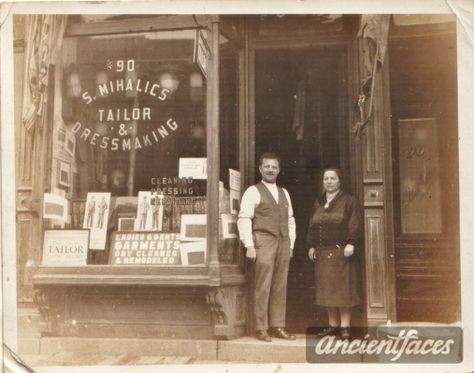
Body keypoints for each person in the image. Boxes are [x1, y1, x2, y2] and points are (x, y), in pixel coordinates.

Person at [237, 152, 296, 342]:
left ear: (279, 170)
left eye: (274, 167)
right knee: (263, 285)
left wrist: (291, 244)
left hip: (283, 243)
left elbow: (290, 220)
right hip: (263, 241)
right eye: (267, 166)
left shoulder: (284, 192)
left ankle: (278, 325)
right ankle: (261, 327)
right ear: (260, 168)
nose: (271, 170)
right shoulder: (252, 191)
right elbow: (244, 218)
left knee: (281, 285)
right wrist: (249, 245)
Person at [306, 168, 362, 340]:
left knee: (343, 291)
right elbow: (312, 225)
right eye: (326, 179)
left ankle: (345, 327)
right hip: (322, 252)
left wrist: (351, 242)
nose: (329, 181)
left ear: (339, 181)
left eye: (332, 178)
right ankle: (333, 326)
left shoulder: (349, 201)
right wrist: (312, 246)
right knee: (327, 291)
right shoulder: (319, 202)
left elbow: (355, 223)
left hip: (341, 252)